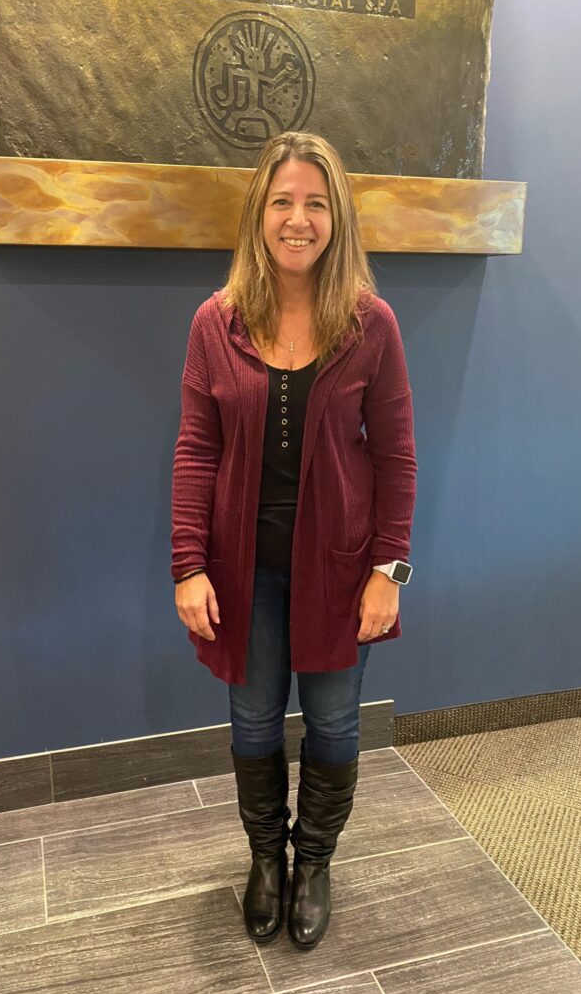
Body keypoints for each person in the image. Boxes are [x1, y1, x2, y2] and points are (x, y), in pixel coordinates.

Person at [171, 131, 417, 950]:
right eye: (283, 201)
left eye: (316, 202)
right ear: (259, 214)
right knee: (252, 722)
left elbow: (397, 456)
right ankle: (264, 862)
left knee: (336, 725)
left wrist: (389, 571)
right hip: (244, 577)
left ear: (337, 217)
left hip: (340, 573)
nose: (299, 219)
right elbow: (196, 450)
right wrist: (188, 564)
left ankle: (313, 863)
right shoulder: (217, 322)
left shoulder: (371, 324)